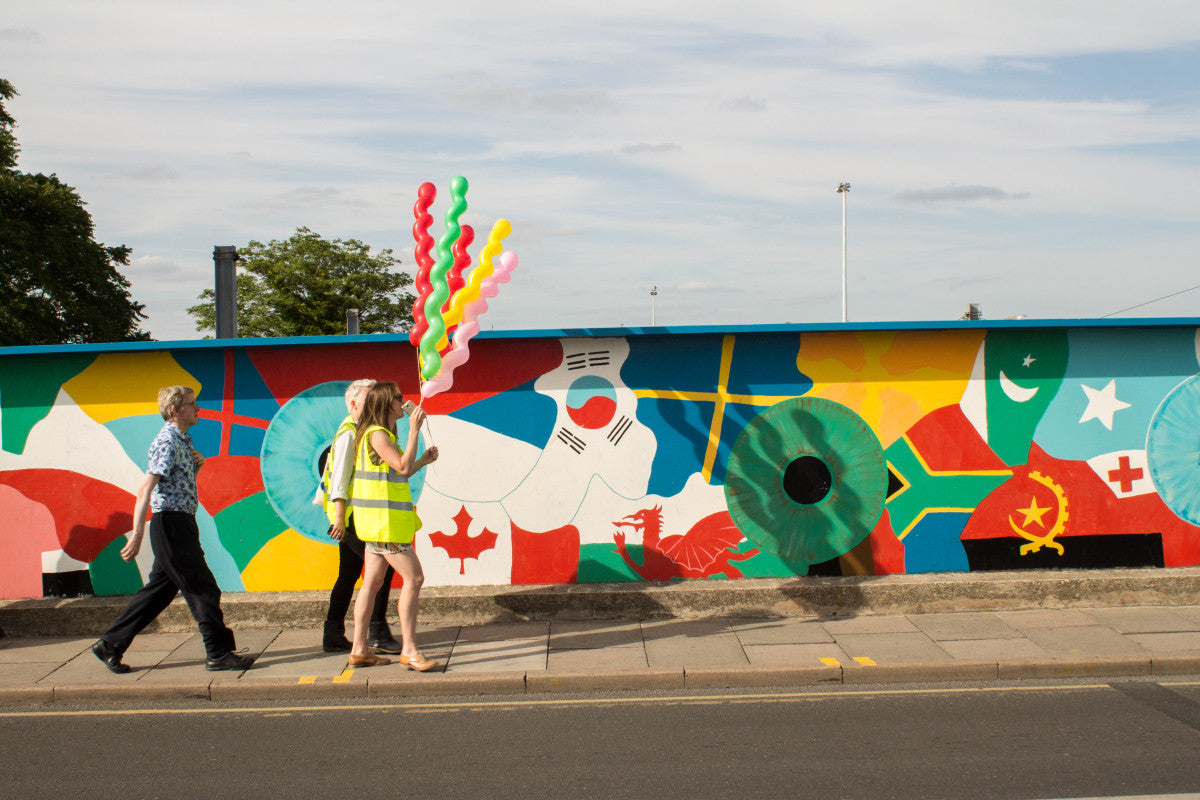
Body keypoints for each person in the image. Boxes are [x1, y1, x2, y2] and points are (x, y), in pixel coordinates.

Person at [92, 386, 254, 674]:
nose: (198, 409)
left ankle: (110, 644)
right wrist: (137, 534)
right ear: (176, 410)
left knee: (158, 592)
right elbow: (146, 488)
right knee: (203, 588)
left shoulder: (182, 438)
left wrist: (197, 468)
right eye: (193, 405)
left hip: (179, 523)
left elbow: (177, 487)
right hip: (171, 525)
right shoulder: (167, 440)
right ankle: (218, 654)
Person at [346, 382, 439, 669]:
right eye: (398, 397)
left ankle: (359, 649)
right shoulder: (377, 434)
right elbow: (400, 466)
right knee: (414, 579)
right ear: (386, 403)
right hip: (385, 525)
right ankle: (410, 650)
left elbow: (399, 470)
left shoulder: (377, 434)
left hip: (377, 524)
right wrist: (414, 429)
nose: (403, 400)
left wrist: (421, 461)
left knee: (371, 584)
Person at [314, 378, 403, 653]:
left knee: (350, 573)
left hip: (356, 514)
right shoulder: (351, 432)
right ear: (353, 403)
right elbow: (339, 476)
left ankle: (334, 633)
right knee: (379, 572)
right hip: (353, 517)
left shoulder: (361, 429)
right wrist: (339, 517)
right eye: (369, 398)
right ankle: (375, 630)